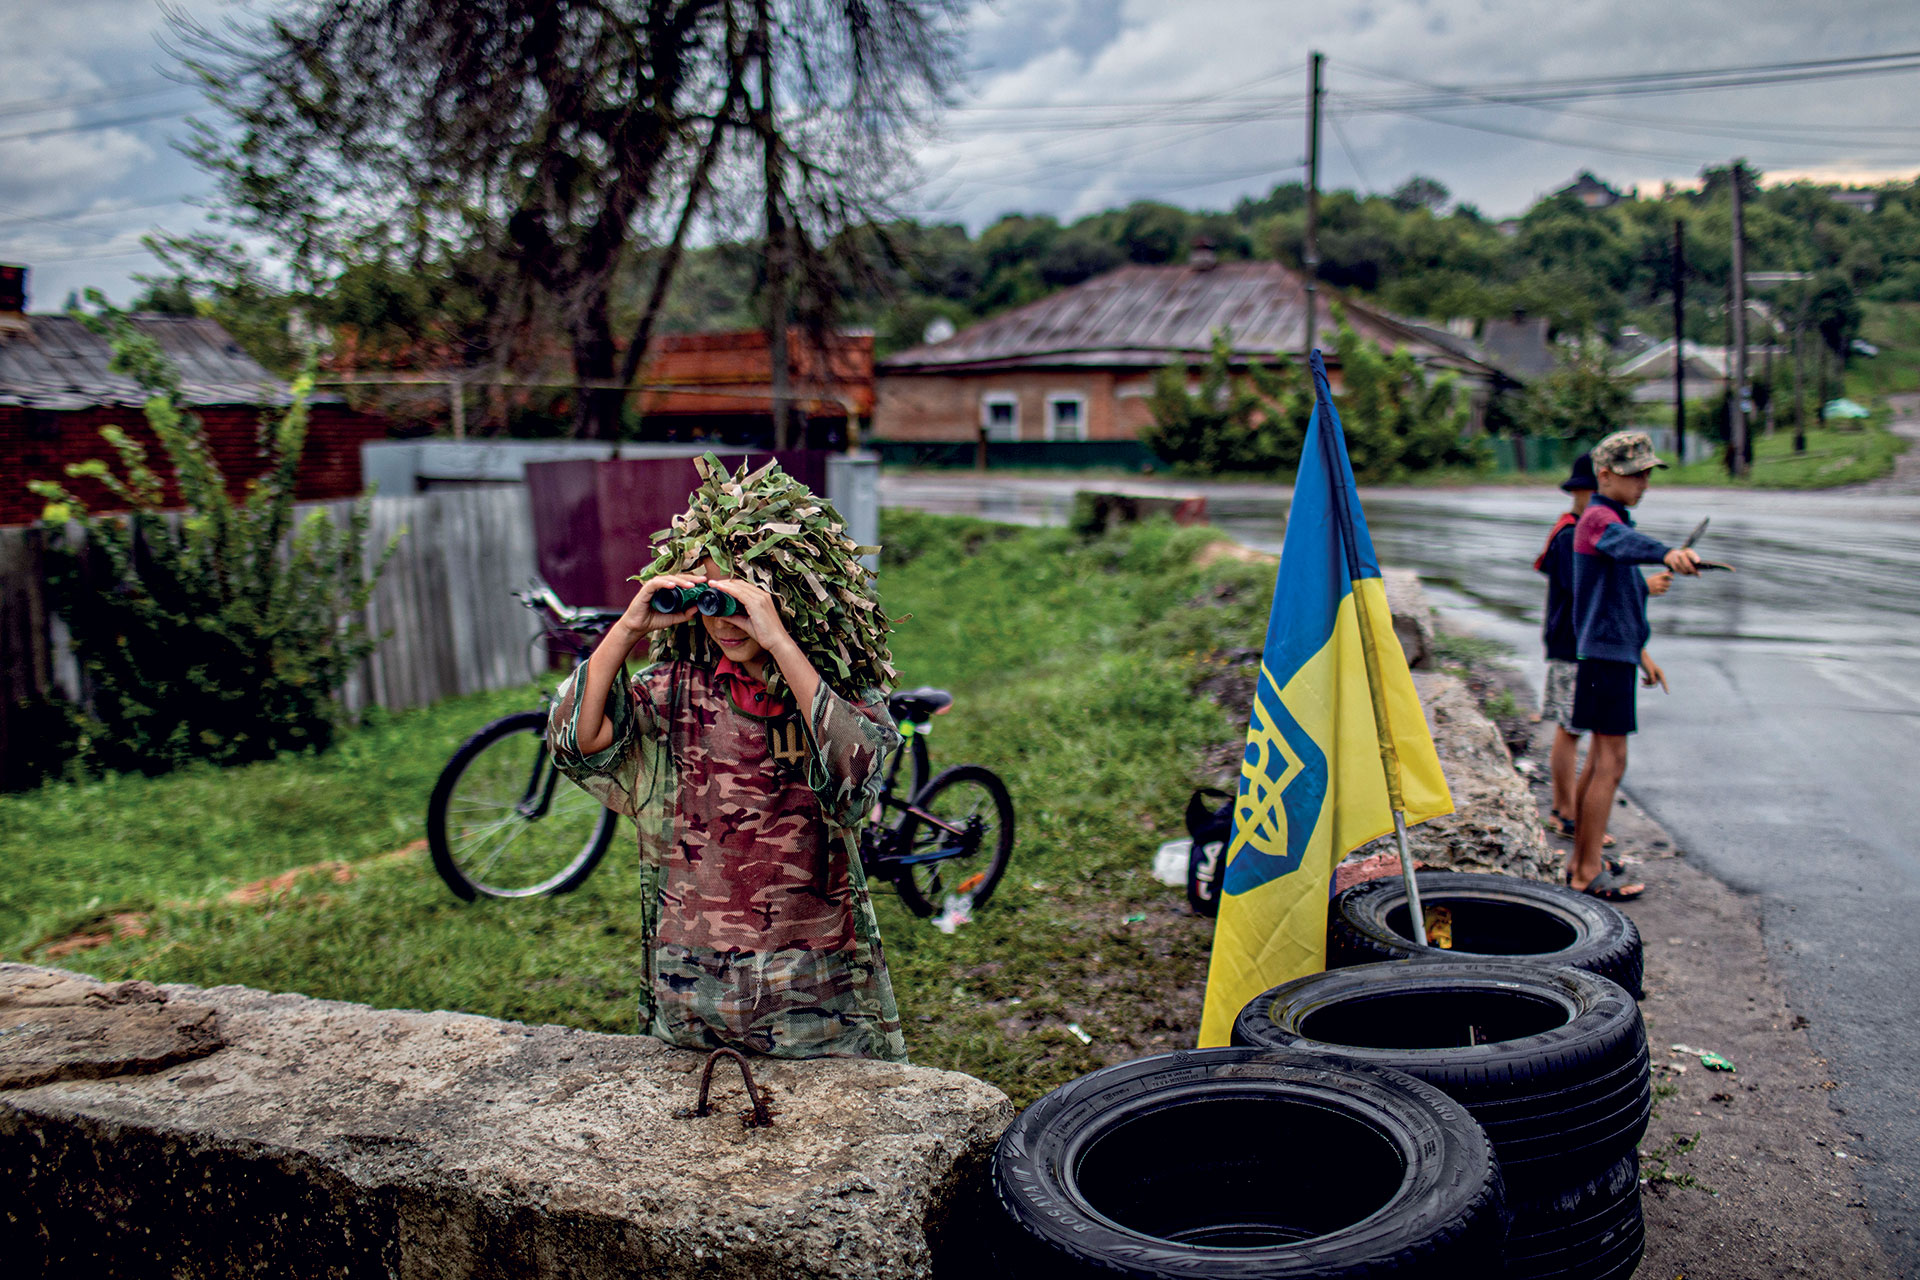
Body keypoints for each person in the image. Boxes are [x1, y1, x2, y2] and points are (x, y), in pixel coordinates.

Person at [546, 455, 908, 1061]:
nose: (727, 622)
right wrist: (630, 626)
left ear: (787, 598)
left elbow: (856, 781)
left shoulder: (833, 692)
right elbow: (575, 743)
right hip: (695, 985)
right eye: (715, 598)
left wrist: (778, 642)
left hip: (809, 989)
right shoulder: (675, 691)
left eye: (745, 600)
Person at [1567, 430, 1700, 899]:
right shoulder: (1600, 519)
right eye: (1634, 474)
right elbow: (1624, 543)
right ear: (1604, 475)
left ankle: (1584, 861)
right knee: (1611, 763)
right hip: (1604, 659)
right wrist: (1666, 552)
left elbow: (1616, 595)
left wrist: (1641, 651)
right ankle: (1585, 871)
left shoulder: (1610, 519)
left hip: (1612, 655)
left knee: (1599, 763)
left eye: (1647, 474)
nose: (1644, 482)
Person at [1535, 452, 1668, 848]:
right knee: (1570, 728)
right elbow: (1588, 593)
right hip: (1571, 645)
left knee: (1584, 736)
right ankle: (1564, 810)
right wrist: (1646, 588)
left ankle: (1573, 816)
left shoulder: (1588, 527)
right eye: (1588, 489)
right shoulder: (1572, 534)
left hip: (1584, 642)